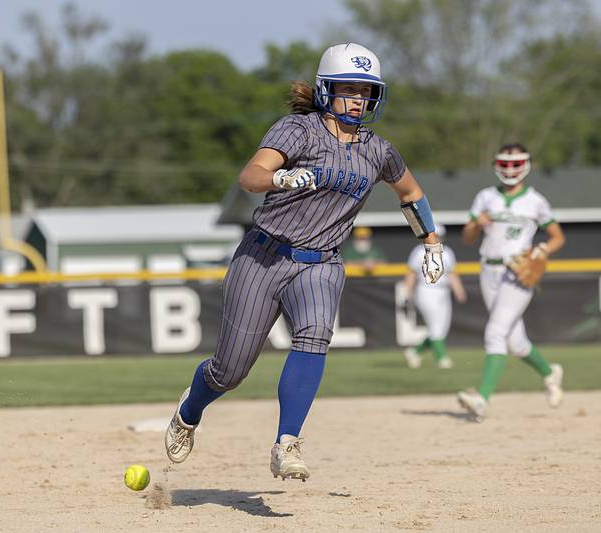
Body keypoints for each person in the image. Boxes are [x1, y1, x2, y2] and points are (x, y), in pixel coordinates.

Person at [164, 43, 446, 481]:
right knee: (230, 370)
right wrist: (280, 175)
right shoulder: (299, 130)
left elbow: (410, 193)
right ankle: (189, 410)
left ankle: (287, 442)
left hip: (321, 263)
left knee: (314, 337)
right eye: (347, 89)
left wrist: (430, 241)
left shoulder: (379, 150)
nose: (357, 99)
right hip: (263, 256)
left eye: (366, 91)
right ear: (325, 91)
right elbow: (250, 176)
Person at [456, 143, 566, 421]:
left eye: (515, 164)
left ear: (526, 165)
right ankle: (549, 372)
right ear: (497, 165)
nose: (510, 169)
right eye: (505, 164)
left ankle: (481, 399)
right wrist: (475, 224)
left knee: (495, 332)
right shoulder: (485, 197)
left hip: (517, 273)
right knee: (515, 342)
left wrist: (542, 250)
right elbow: (468, 239)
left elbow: (557, 237)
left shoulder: (535, 201)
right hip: (488, 270)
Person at [402, 224, 466, 369]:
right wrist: (407, 295)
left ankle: (414, 351)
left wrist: (459, 291)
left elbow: (452, 274)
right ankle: (442, 358)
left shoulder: (447, 252)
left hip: (443, 291)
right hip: (426, 289)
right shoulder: (419, 252)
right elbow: (411, 275)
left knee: (442, 329)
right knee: (436, 326)